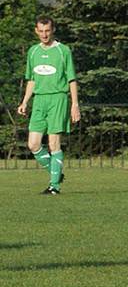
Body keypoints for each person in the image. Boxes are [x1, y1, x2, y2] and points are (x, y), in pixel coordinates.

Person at [16, 16, 80, 195]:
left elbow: (72, 79)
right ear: (36, 31)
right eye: (41, 31)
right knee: (33, 144)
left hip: (58, 99)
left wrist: (74, 104)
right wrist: (25, 101)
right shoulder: (33, 52)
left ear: (53, 30)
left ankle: (54, 186)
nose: (44, 34)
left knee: (53, 144)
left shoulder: (63, 51)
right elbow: (32, 80)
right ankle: (56, 173)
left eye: (47, 31)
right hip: (39, 101)